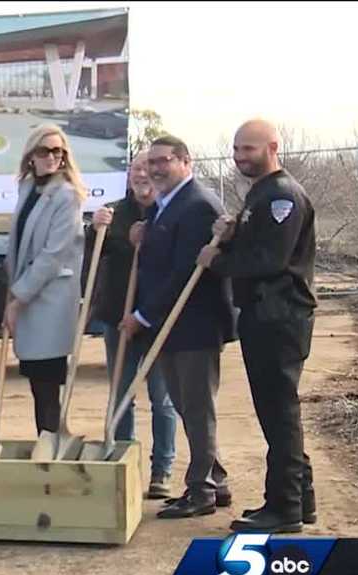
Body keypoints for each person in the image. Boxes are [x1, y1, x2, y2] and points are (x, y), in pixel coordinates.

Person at [198, 119, 318, 534]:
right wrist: (230, 237)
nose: (239, 158)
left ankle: (283, 507)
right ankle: (301, 500)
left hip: (278, 316)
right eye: (235, 150)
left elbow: (270, 260)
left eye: (247, 149)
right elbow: (257, 246)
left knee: (279, 413)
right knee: (278, 410)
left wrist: (218, 262)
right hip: (265, 315)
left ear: (272, 147)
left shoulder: (282, 196)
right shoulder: (262, 194)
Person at [120, 134, 235, 519]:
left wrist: (142, 316)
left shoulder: (198, 205)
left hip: (193, 325)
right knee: (186, 405)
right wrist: (142, 233)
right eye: (150, 162)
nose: (155, 168)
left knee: (197, 407)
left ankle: (200, 490)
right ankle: (216, 479)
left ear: (185, 160)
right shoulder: (164, 204)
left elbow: (185, 272)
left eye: (163, 160)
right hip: (168, 327)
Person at [91, 154, 179, 498]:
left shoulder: (169, 211)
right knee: (122, 395)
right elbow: (94, 260)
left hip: (156, 319)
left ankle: (162, 472)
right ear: (128, 176)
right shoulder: (113, 213)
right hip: (119, 318)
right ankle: (124, 466)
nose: (142, 174)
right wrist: (93, 231)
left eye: (147, 168)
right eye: (136, 169)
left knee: (163, 398)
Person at [2, 125, 87, 435]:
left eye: (57, 151)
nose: (51, 157)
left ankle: (51, 447)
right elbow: (20, 243)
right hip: (26, 293)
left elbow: (53, 255)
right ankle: (52, 439)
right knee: (38, 381)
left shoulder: (67, 195)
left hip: (49, 300)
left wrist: (18, 298)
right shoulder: (27, 189)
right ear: (31, 156)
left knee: (47, 380)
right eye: (44, 151)